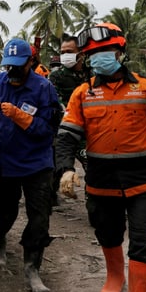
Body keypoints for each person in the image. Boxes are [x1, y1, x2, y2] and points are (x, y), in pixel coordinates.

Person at [56, 22, 146, 292]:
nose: (100, 57)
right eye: (93, 53)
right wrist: (65, 168)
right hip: (101, 178)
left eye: (106, 51)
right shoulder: (82, 94)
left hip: (144, 179)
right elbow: (67, 137)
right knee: (107, 232)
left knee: (143, 240)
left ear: (121, 52)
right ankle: (114, 276)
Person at [0, 38, 62, 292]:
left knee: (39, 217)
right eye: (9, 66)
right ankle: (1, 236)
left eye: (19, 66)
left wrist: (21, 117)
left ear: (31, 62)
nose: (13, 71)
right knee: (1, 210)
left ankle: (32, 266)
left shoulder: (44, 88)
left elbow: (48, 130)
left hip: (36, 163)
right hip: (2, 160)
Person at [49, 35, 89, 206]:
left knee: (92, 166)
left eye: (70, 52)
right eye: (63, 52)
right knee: (57, 167)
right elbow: (55, 101)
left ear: (81, 53)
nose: (65, 55)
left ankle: (94, 202)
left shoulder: (92, 73)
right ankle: (50, 197)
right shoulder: (56, 76)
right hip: (64, 129)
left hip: (88, 131)